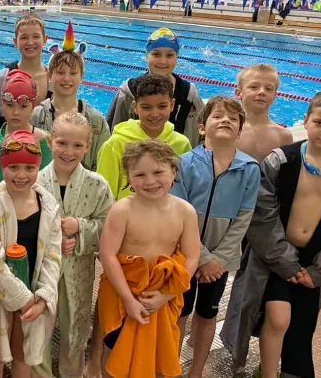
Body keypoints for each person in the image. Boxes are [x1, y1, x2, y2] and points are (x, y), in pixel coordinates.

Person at [222, 90, 321, 378]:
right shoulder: (282, 161)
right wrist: (284, 260)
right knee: (276, 317)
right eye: (319, 122)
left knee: (300, 328)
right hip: (275, 255)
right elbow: (261, 214)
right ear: (306, 120)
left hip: (316, 261)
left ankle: (274, 367)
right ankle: (269, 373)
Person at [170, 96, 260, 378]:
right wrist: (202, 257)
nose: (226, 121)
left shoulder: (249, 169)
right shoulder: (183, 163)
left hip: (221, 262)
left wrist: (217, 260)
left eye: (233, 119)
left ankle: (196, 371)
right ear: (201, 127)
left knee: (207, 316)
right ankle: (170, 369)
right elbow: (177, 214)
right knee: (179, 314)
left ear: (240, 130)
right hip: (185, 254)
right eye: (218, 116)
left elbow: (243, 219)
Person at [97, 139, 200, 378]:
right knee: (114, 351)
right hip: (121, 293)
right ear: (129, 178)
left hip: (161, 293)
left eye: (158, 172)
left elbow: (192, 255)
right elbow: (108, 255)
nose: (150, 181)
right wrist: (129, 300)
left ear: (174, 171)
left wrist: (167, 295)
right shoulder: (122, 210)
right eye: (140, 174)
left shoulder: (185, 211)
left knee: (156, 353)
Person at [0, 130, 62, 378]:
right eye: (13, 167)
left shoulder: (48, 205)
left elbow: (53, 257)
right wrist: (26, 299)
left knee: (24, 354)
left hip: (35, 293)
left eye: (29, 167)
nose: (22, 175)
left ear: (39, 168)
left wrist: (43, 297)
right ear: (2, 167)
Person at [36, 112, 113, 378]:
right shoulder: (34, 182)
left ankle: (72, 373)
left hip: (78, 271)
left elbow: (109, 228)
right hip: (42, 270)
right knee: (38, 329)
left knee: (76, 330)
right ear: (49, 142)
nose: (69, 152)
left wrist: (80, 227)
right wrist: (51, 243)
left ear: (88, 146)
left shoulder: (97, 184)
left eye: (77, 145)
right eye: (62, 143)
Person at [0, 70, 52, 255]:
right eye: (9, 105)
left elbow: (49, 194)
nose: (15, 112)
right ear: (1, 104)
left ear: (33, 106)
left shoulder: (45, 145)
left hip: (30, 228)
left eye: (23, 107)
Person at [97, 74, 192, 201]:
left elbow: (184, 189)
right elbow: (104, 195)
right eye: (146, 107)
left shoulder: (182, 144)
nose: (154, 114)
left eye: (162, 106)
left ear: (172, 105)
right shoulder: (115, 144)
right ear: (135, 107)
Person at [105, 27, 203, 147]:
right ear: (147, 56)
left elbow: (203, 136)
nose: (162, 61)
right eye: (156, 54)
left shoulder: (189, 95)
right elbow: (110, 137)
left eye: (169, 55)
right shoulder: (128, 94)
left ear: (176, 57)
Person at [30, 22, 109, 171]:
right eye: (60, 72)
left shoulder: (96, 121)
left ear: (82, 77)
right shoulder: (35, 116)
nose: (67, 78)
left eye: (73, 73)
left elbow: (104, 165)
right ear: (50, 76)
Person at [0, 14, 50, 128]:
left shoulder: (55, 79)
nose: (30, 42)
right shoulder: (0, 80)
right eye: (24, 37)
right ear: (15, 42)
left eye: (36, 36)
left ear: (45, 39)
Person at [235, 64, 293, 162]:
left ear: (274, 97)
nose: (262, 92)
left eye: (268, 89)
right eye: (254, 87)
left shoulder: (283, 136)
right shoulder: (229, 128)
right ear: (239, 93)